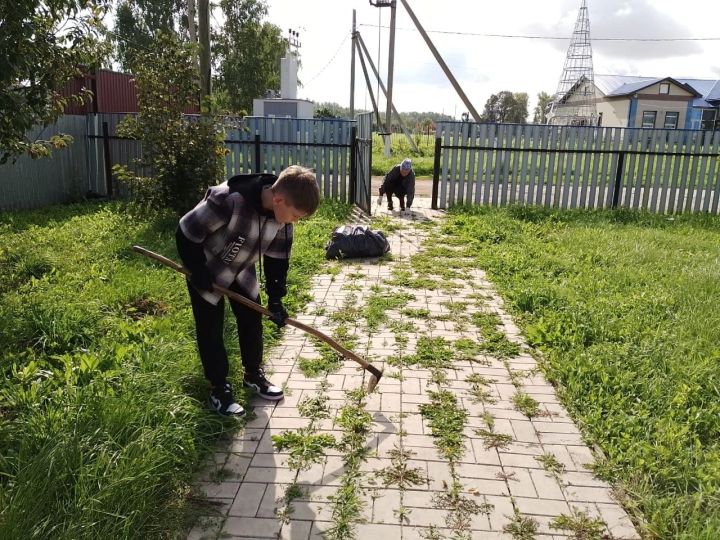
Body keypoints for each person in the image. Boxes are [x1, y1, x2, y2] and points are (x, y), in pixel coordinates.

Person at [176, 165, 321, 416]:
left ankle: (253, 374)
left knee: (252, 320)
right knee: (210, 328)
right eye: (296, 216)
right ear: (278, 199)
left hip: (242, 269)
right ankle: (218, 387)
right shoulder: (228, 200)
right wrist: (198, 271)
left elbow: (278, 260)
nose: (295, 222)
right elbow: (186, 232)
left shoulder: (282, 217)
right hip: (207, 269)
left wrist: (276, 300)